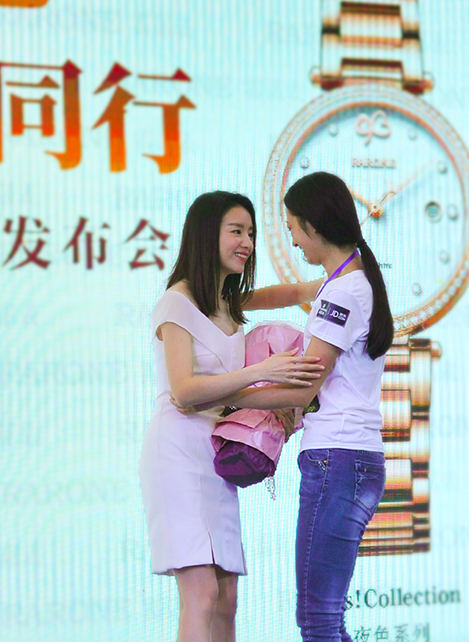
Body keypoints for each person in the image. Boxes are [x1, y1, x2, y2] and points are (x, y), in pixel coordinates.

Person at [200, 172, 394, 641]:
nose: (292, 241)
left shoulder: (343, 292)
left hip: (337, 460)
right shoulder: (348, 282)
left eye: (292, 229)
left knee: (318, 618)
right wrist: (217, 301)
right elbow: (287, 293)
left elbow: (300, 392)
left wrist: (221, 394)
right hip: (350, 459)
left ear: (312, 224)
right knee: (324, 618)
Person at [139, 191, 324, 642]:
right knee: (202, 594)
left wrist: (332, 283)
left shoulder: (228, 303)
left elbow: (290, 293)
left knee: (227, 600)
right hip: (177, 454)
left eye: (251, 233)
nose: (247, 243)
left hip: (215, 453)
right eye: (236, 231)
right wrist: (261, 371)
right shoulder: (176, 302)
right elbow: (185, 392)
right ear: (207, 234)